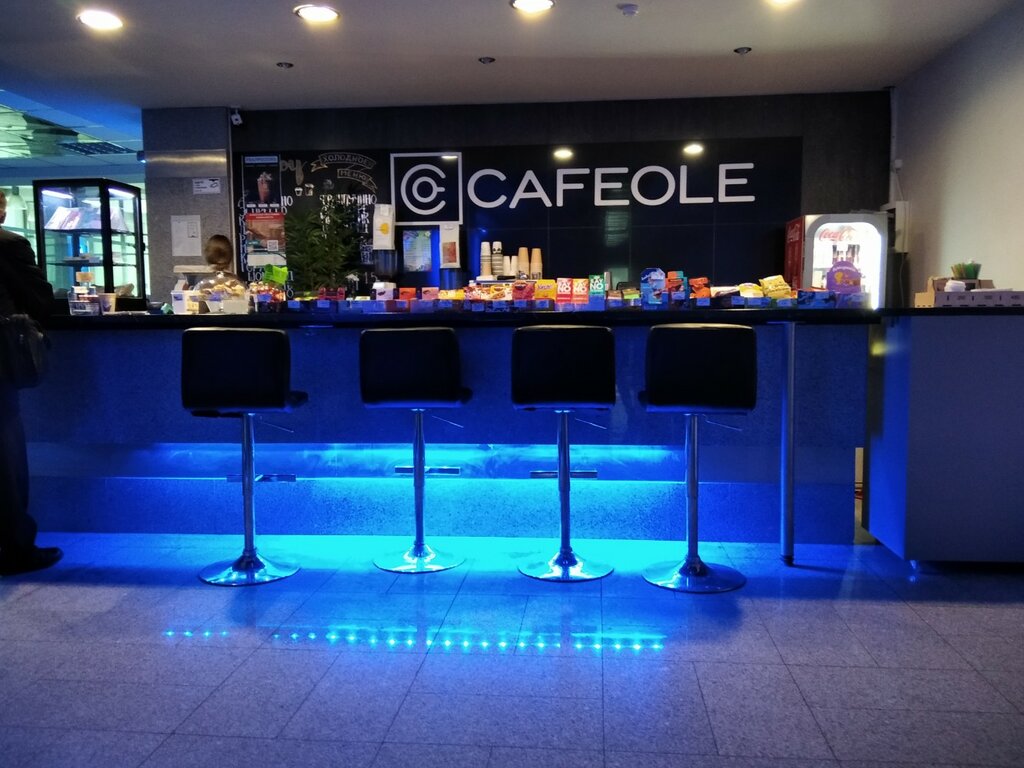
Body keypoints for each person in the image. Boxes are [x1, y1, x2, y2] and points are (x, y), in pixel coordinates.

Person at [0, 189, 62, 576]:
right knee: (6, 453)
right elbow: (41, 299)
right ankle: (15, 547)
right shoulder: (8, 244)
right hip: (2, 361)